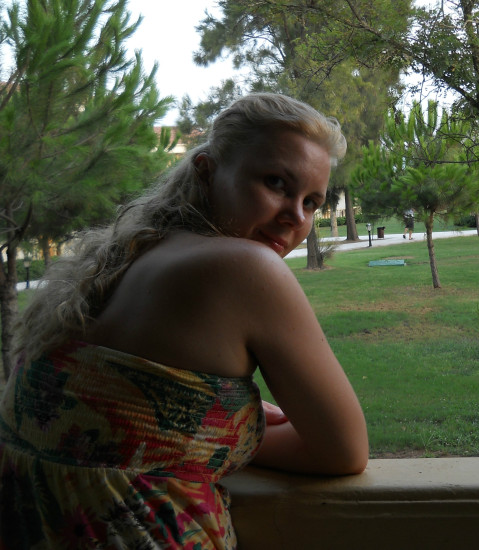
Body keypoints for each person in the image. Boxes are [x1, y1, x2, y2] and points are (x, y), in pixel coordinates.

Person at [0, 93, 369, 548]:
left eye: (311, 202)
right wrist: (235, 431)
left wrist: (203, 426)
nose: (295, 216)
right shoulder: (249, 268)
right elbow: (344, 450)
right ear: (207, 171)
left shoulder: (124, 261)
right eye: (276, 183)